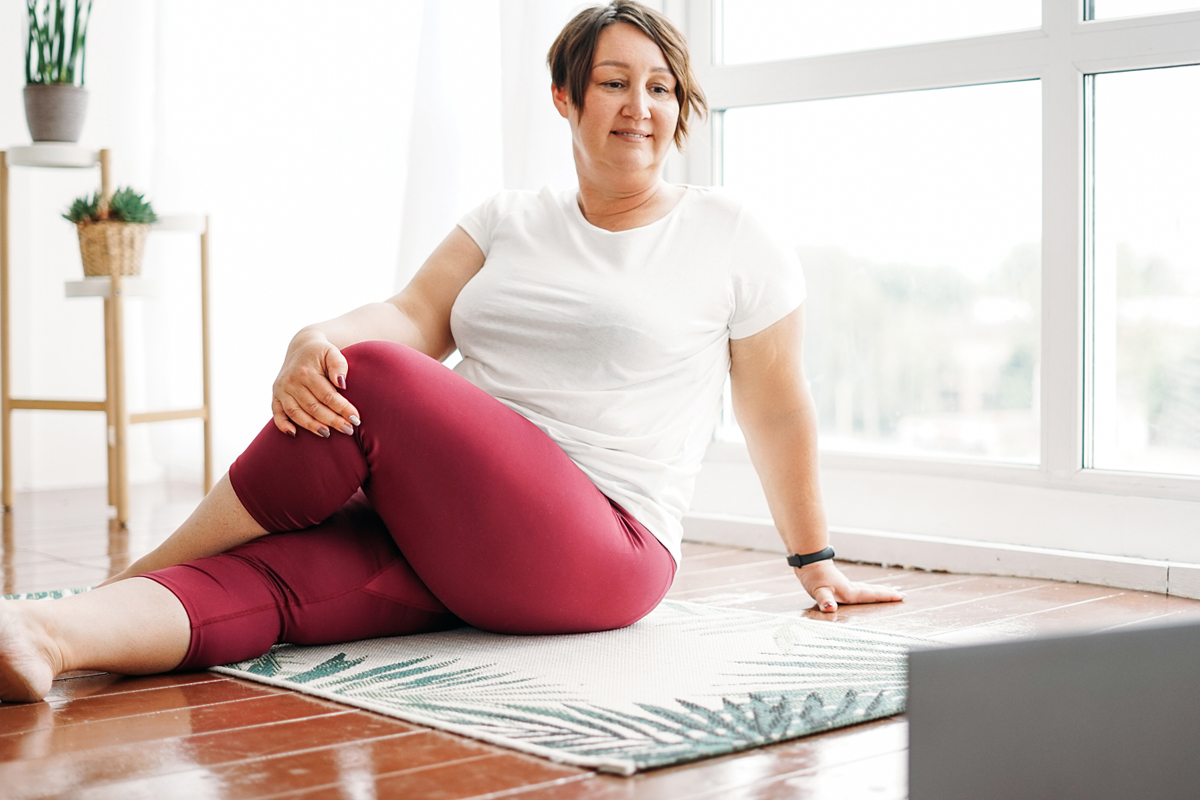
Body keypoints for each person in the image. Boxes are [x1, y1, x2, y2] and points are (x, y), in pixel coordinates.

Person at [0, 0, 902, 704]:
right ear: (566, 96)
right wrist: (313, 338)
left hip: (604, 546)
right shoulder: (508, 220)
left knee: (377, 377)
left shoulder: (729, 231)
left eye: (662, 87)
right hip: (457, 530)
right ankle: (49, 642)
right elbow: (409, 313)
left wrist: (811, 559)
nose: (643, 107)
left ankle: (140, 567)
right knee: (266, 582)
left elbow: (776, 404)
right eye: (617, 83)